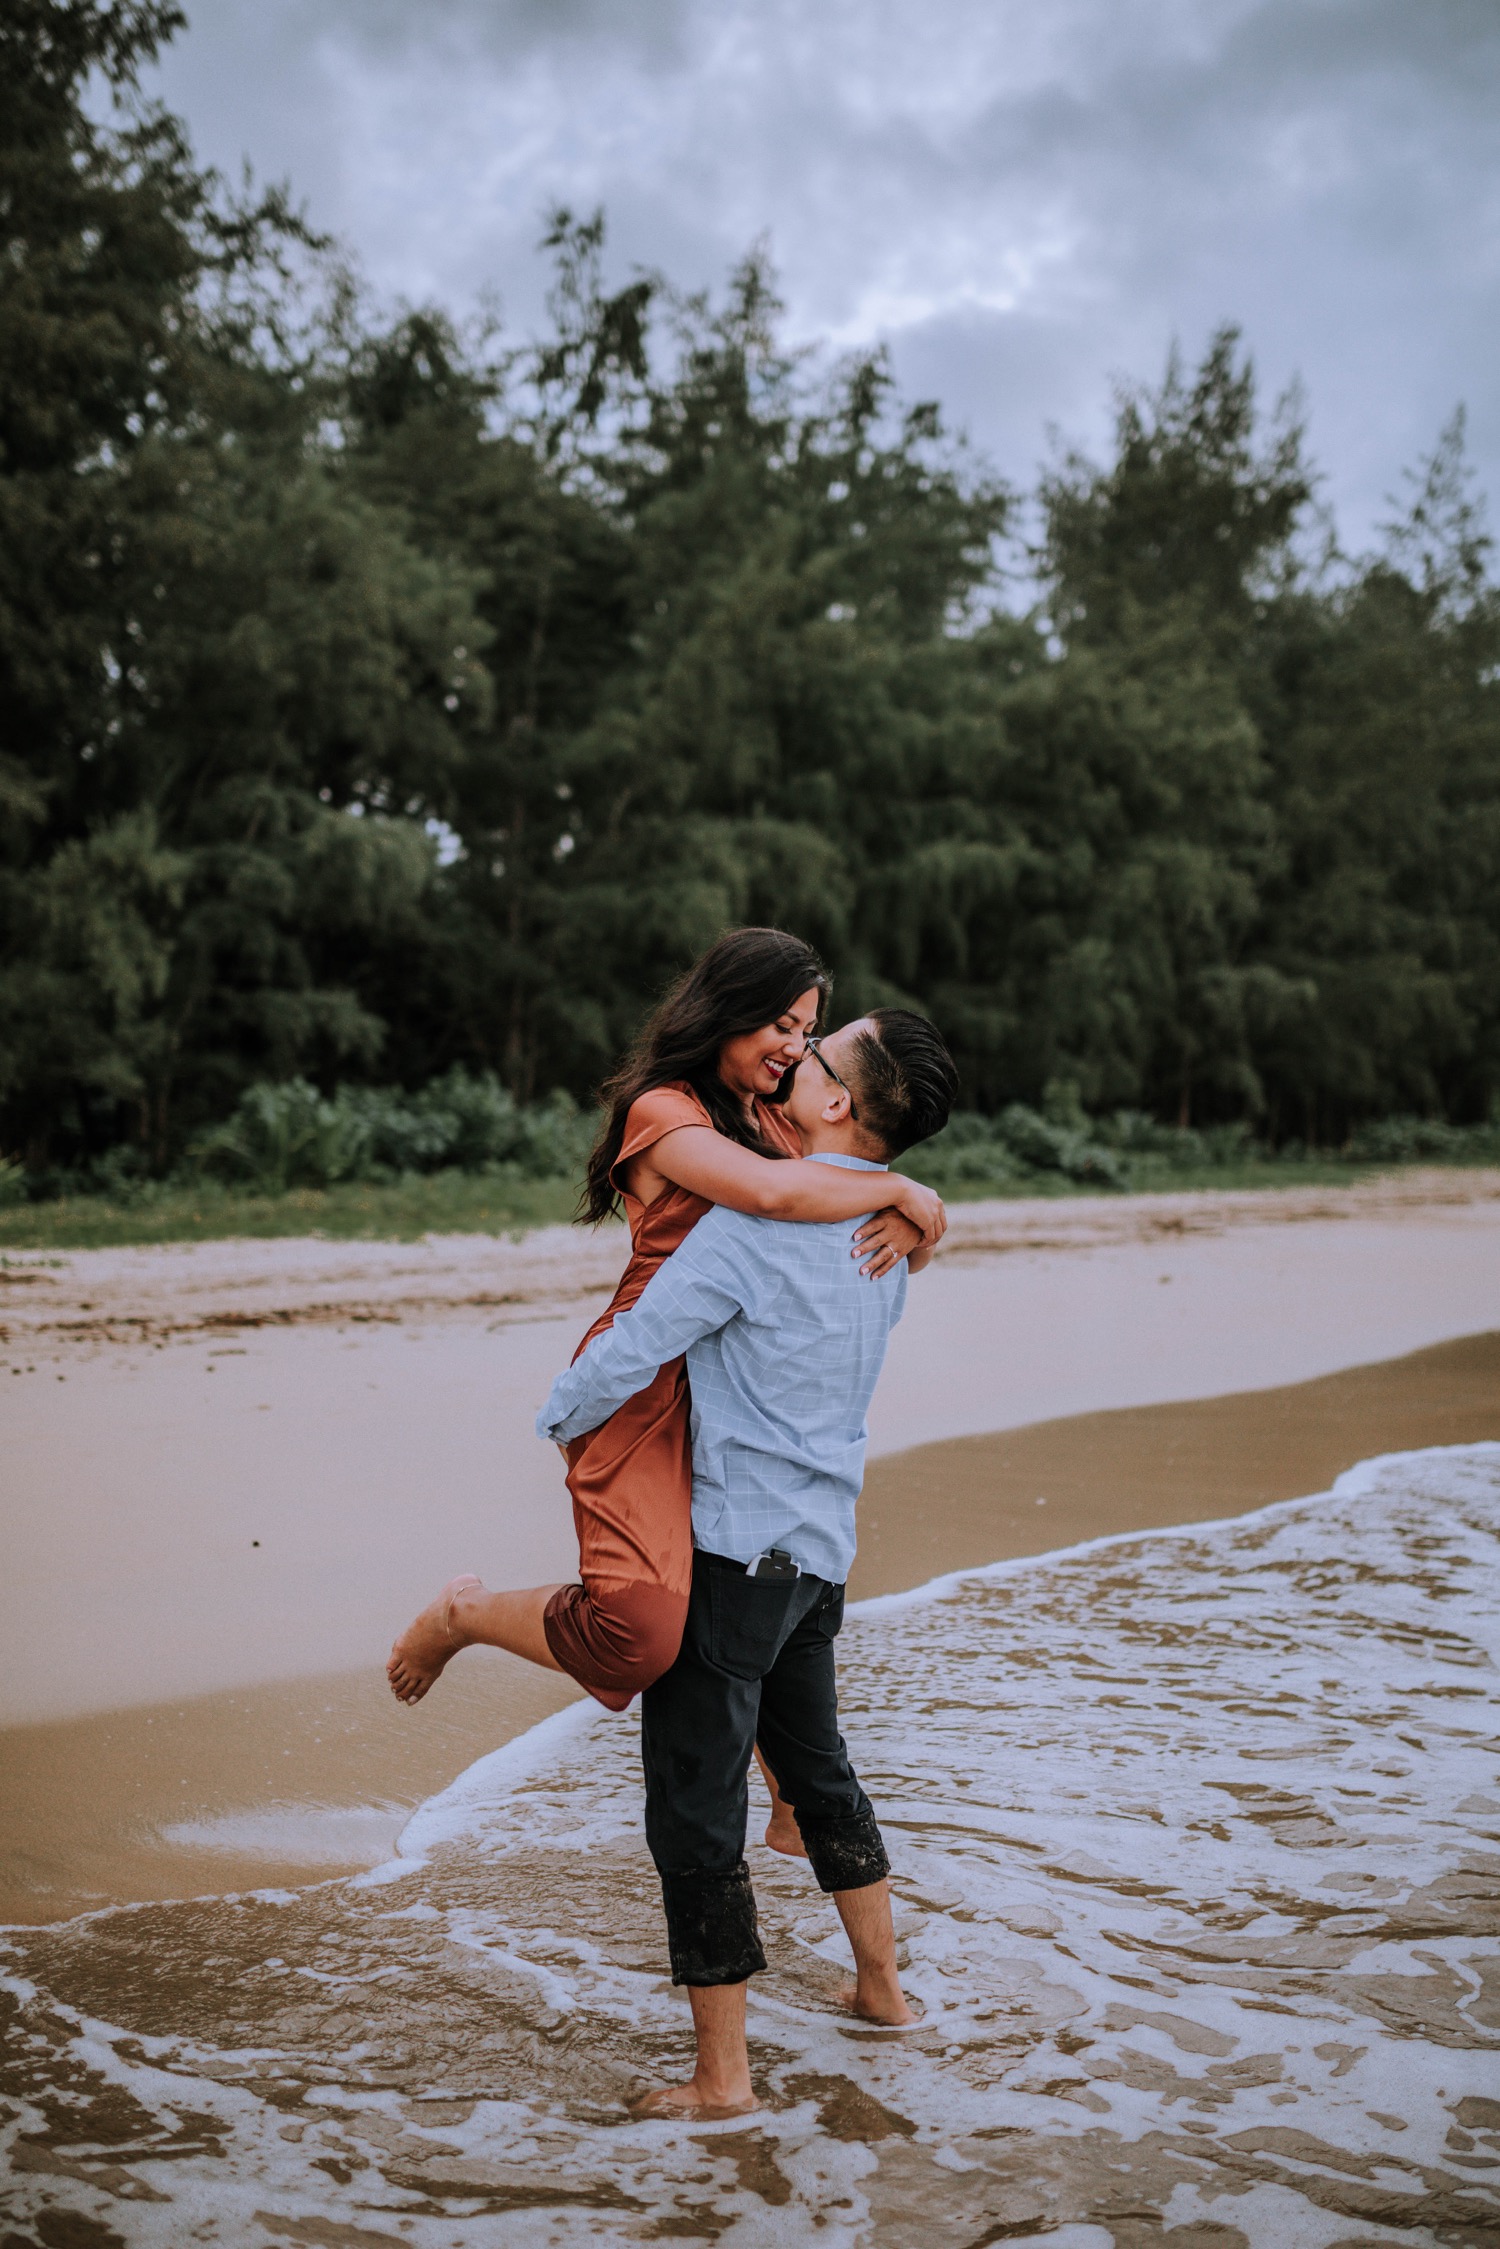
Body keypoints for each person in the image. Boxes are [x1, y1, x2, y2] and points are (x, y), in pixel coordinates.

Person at [536, 1006, 959, 2119]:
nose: (793, 1057)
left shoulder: (750, 1226)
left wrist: (558, 1415)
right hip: (821, 1553)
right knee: (817, 1772)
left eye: (814, 1055)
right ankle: (883, 1989)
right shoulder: (890, 1241)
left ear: (831, 1105)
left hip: (732, 1558)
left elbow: (640, 1343)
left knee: (695, 1812)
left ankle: (722, 2078)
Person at [386, 930, 946, 1732]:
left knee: (743, 1592)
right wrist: (898, 1186)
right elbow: (774, 1197)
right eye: (781, 1025)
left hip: (739, 1376)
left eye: (806, 1030)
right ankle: (462, 1616)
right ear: (728, 1011)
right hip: (644, 1378)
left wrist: (917, 1227)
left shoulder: (782, 1118)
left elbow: (864, 1239)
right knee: (641, 1637)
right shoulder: (666, 1114)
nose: (795, 1047)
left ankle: (795, 1798)